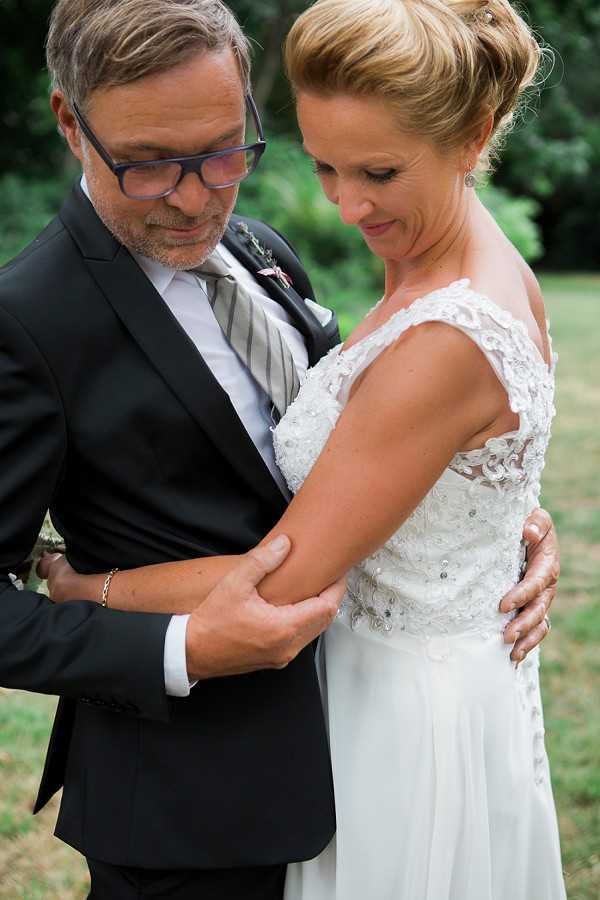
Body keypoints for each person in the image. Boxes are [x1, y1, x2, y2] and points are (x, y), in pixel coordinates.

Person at [2, 0, 559, 898]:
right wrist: (159, 639)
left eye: (226, 151)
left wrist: (502, 518)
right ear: (73, 124)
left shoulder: (263, 252)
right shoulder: (26, 321)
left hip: (369, 750)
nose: (195, 196)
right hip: (192, 811)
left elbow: (377, 459)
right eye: (148, 166)